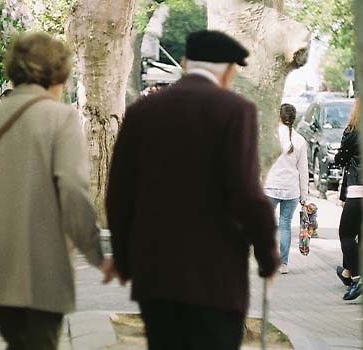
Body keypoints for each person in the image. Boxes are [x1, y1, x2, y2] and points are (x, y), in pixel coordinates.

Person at [106, 30, 280, 350]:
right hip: (215, 280)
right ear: (229, 70)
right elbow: (245, 193)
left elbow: (119, 194)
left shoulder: (142, 111)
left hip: (155, 277)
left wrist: (123, 258)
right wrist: (268, 254)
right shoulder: (235, 110)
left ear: (185, 62)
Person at [0, 32, 114, 350]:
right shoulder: (62, 119)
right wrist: (95, 253)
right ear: (59, 73)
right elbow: (74, 195)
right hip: (44, 267)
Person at [264, 103, 309, 274]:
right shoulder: (300, 140)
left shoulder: (270, 137)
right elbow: (303, 171)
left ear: (279, 117)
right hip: (291, 190)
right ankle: (283, 263)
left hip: (271, 187)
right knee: (285, 225)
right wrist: (304, 196)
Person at [334, 98, 363, 301]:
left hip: (357, 190)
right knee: (362, 235)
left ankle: (357, 277)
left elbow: (340, 159)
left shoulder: (353, 132)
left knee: (345, 234)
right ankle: (346, 273)